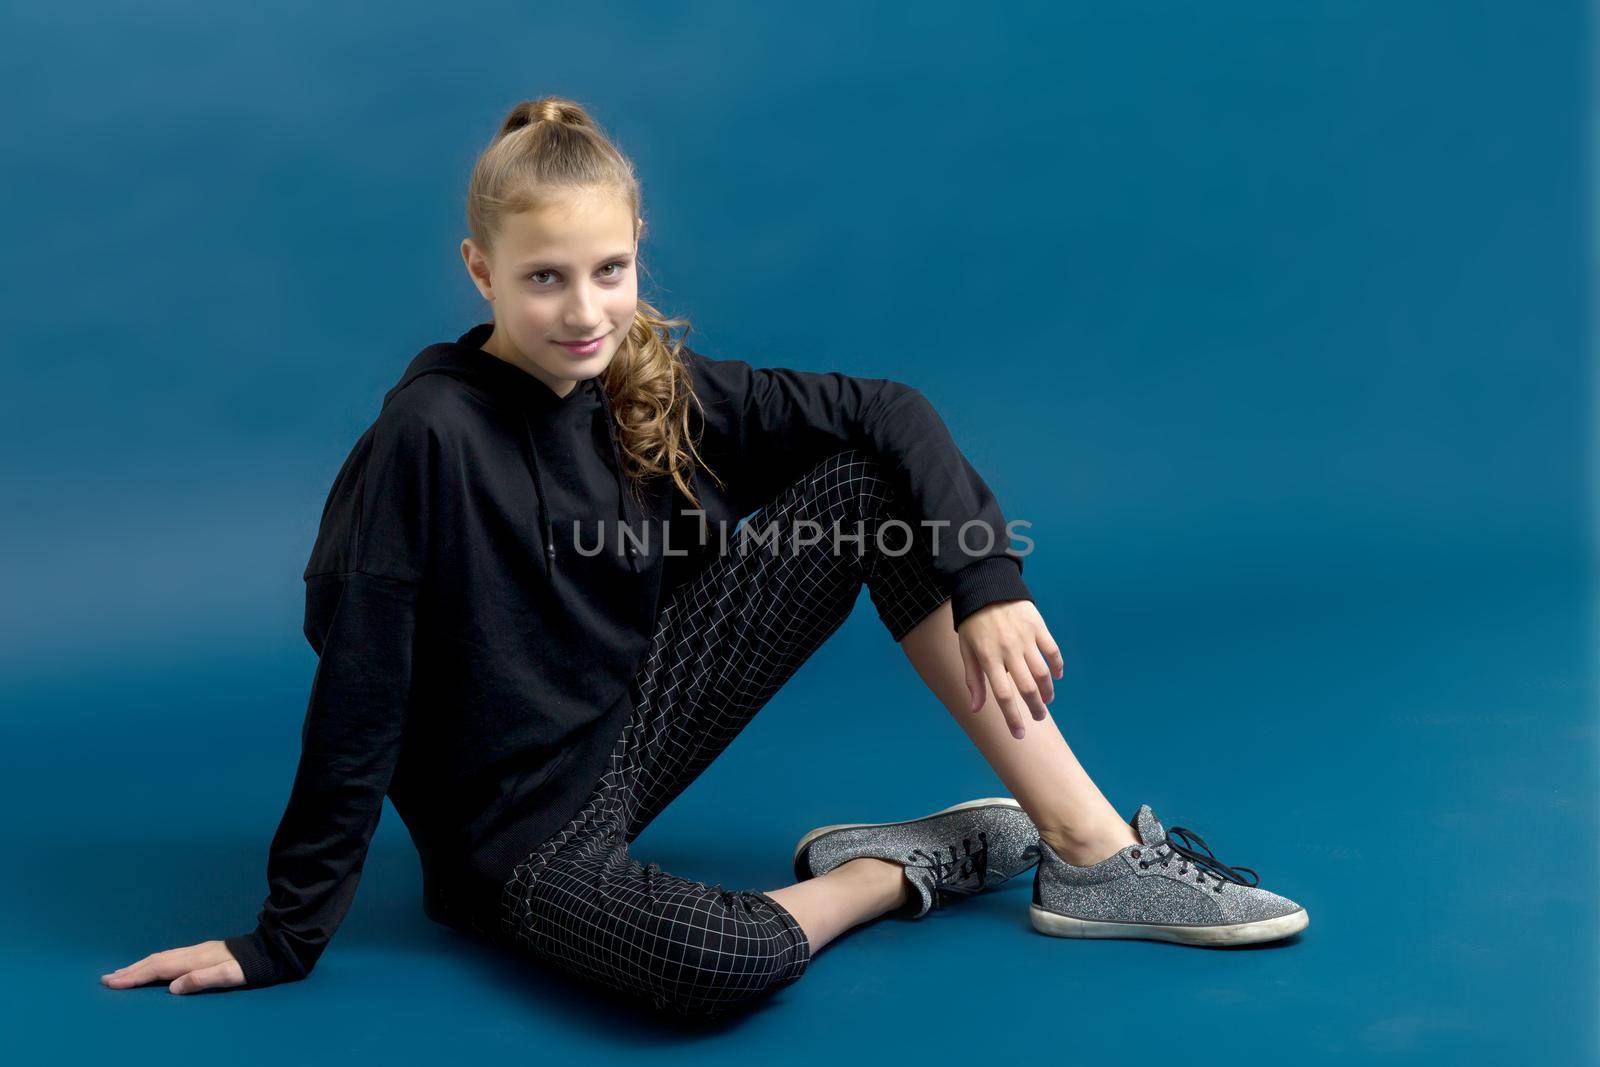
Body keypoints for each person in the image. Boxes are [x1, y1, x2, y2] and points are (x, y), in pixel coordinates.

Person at [99, 96, 1308, 1018]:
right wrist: (283, 935)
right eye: (543, 280)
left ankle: (1092, 856)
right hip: (519, 841)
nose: (583, 312)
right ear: (479, 273)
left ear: (637, 254)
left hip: (631, 722)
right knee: (715, 968)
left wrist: (988, 579)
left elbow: (887, 408)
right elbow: (359, 685)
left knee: (866, 482)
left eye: (609, 272)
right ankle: (900, 865)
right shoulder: (431, 434)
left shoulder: (639, 375)